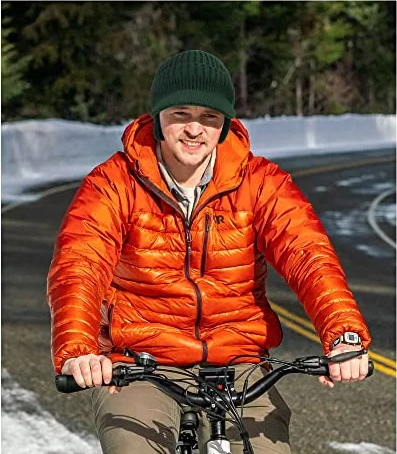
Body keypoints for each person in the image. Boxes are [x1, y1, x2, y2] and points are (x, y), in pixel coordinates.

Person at [47, 49, 371, 454]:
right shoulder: (113, 183)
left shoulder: (261, 182)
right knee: (134, 448)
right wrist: (80, 350)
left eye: (209, 118)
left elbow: (308, 254)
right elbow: (80, 265)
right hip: (141, 361)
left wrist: (343, 333)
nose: (194, 130)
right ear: (158, 117)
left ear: (224, 125)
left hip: (238, 358)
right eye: (180, 114)